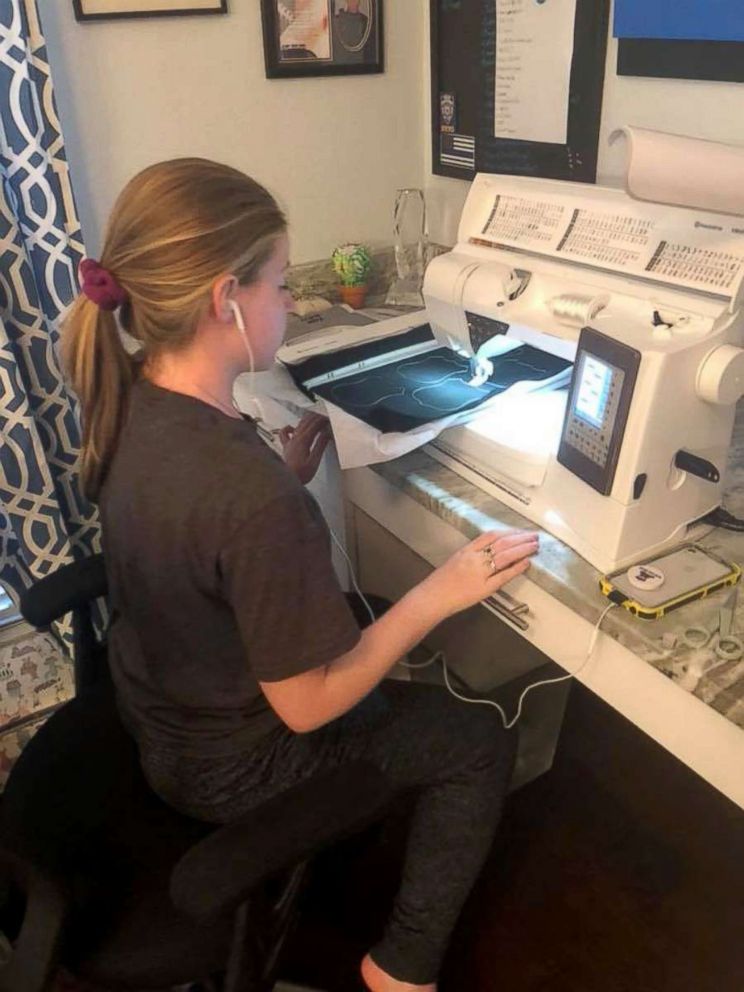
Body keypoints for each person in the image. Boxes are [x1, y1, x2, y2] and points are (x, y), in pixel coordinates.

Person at [62, 158, 539, 992]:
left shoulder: (132, 397)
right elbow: (307, 702)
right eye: (280, 283)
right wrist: (444, 590)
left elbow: (194, 537)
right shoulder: (244, 495)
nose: (289, 301)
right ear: (225, 299)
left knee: (372, 616)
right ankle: (402, 970)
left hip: (159, 710)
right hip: (231, 769)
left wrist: (280, 481)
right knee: (477, 738)